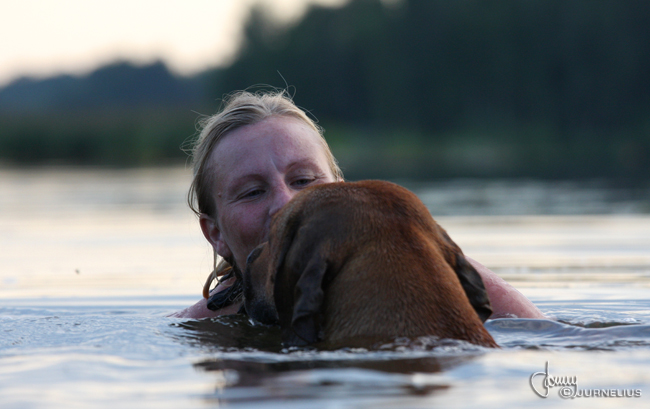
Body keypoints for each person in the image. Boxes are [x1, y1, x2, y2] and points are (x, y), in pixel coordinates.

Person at [171, 89, 546, 320]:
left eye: (304, 180)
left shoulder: (439, 274)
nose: (286, 204)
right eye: (253, 192)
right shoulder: (203, 327)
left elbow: (554, 346)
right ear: (215, 233)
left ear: (344, 193)